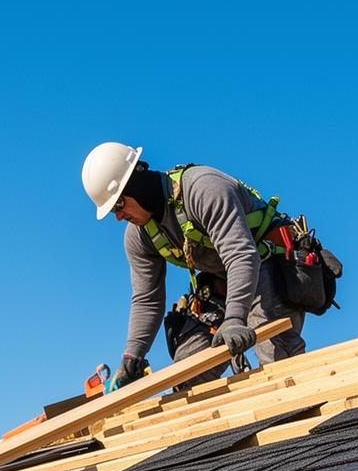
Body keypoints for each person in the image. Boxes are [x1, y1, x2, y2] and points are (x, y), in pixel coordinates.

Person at [81, 142, 309, 390]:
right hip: (221, 283)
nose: (118, 216)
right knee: (187, 377)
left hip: (264, 263)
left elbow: (241, 254)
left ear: (136, 184)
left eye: (119, 205)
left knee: (277, 358)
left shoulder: (203, 188)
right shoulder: (139, 236)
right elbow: (147, 299)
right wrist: (132, 356)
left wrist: (234, 319)